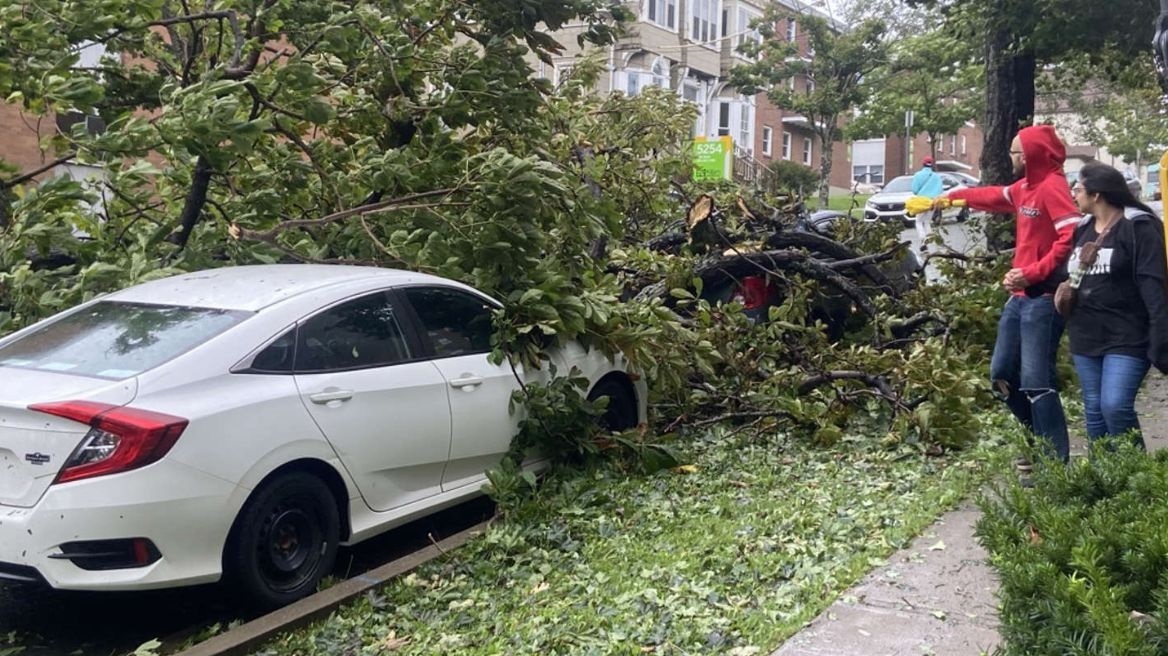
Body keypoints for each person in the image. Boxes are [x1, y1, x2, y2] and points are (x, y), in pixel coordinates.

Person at [934, 125, 1079, 476]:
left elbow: (1070, 236)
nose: (1011, 157)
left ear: (1030, 156)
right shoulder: (1025, 188)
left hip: (1043, 298)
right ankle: (1038, 442)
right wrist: (954, 197)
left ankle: (1055, 464)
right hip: (1018, 299)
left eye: (1015, 152)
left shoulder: (1052, 187)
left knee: (1037, 381)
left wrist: (1033, 273)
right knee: (1001, 375)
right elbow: (993, 196)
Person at [1065, 162, 1168, 449]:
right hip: (1086, 336)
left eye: (1078, 188)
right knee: (1095, 413)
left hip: (1127, 335)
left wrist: (1160, 333)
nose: (1074, 194)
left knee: (1115, 405)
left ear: (1096, 194)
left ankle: (1135, 473)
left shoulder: (1138, 227)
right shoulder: (1083, 228)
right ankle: (1104, 475)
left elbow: (1153, 285)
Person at [911, 156, 943, 249]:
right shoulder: (936, 176)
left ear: (923, 164)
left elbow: (914, 190)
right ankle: (928, 239)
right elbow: (940, 190)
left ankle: (923, 239)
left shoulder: (917, 175)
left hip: (921, 201)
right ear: (932, 165)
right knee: (927, 222)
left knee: (918, 221)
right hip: (932, 202)